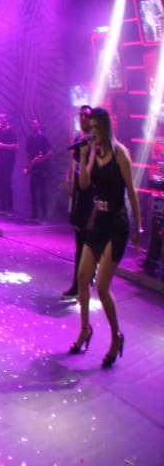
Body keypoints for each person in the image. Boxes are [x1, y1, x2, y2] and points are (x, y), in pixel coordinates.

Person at [69, 107, 141, 368]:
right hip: (97, 221)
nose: (92, 133)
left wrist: (138, 228)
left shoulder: (120, 153)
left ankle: (116, 336)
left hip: (117, 223)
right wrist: (84, 156)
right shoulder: (94, 152)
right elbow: (84, 184)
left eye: (96, 128)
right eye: (91, 129)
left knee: (101, 286)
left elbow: (131, 192)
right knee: (82, 278)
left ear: (105, 128)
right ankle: (85, 330)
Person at [62, 105, 95, 298]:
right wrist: (68, 177)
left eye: (86, 115)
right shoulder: (78, 139)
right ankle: (79, 284)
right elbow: (74, 162)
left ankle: (84, 282)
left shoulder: (96, 141)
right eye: (80, 115)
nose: (82, 118)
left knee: (88, 242)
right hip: (79, 196)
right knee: (80, 242)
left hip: (92, 196)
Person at [23, 117, 53, 221]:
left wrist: (42, 160)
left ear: (39, 125)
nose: (33, 126)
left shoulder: (44, 138)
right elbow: (27, 154)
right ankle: (35, 212)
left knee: (42, 191)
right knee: (33, 190)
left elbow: (50, 152)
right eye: (32, 124)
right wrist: (27, 166)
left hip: (43, 168)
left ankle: (44, 213)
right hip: (33, 167)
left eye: (35, 124)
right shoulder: (29, 139)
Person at [0, 113, 19, 214]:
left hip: (9, 160)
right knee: (0, 182)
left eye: (1, 118)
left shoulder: (11, 131)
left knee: (7, 182)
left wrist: (2, 145)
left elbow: (16, 146)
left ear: (6, 120)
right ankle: (3, 207)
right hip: (0, 159)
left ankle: (10, 208)